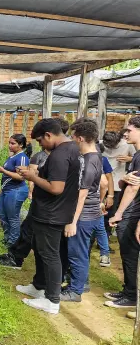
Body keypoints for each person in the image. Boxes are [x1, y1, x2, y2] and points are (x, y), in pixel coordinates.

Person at [17, 118, 82, 315]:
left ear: (48, 135)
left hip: (51, 213)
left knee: (50, 255)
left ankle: (52, 300)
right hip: (50, 211)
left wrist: (32, 177)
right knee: (40, 249)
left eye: (40, 141)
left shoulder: (60, 155)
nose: (40, 145)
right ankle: (39, 286)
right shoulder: (71, 149)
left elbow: (56, 187)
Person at [61, 120, 106, 302]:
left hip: (83, 216)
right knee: (81, 252)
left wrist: (72, 222)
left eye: (73, 137)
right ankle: (79, 283)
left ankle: (75, 291)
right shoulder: (98, 156)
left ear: (80, 138)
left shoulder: (88, 162)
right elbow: (102, 183)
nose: (72, 140)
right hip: (92, 212)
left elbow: (81, 195)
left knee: (77, 253)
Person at [105, 116, 140, 311]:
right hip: (132, 210)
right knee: (126, 253)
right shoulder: (137, 154)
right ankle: (128, 290)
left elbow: (133, 188)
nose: (125, 133)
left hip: (133, 211)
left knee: (130, 254)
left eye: (130, 130)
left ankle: (132, 295)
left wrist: (118, 213)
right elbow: (127, 183)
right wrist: (124, 179)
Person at [0, 134, 31, 246]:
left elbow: (21, 177)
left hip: (16, 190)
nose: (10, 145)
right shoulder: (13, 156)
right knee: (1, 214)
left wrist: (4, 171)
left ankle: (13, 242)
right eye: (9, 143)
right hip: (7, 190)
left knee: (12, 217)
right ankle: (8, 238)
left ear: (20, 145)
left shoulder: (21, 158)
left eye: (13, 143)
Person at [101, 130, 135, 238]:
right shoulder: (99, 144)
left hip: (116, 183)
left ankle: (105, 237)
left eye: (114, 146)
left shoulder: (126, 144)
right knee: (97, 210)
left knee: (110, 212)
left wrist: (129, 159)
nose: (111, 148)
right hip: (101, 182)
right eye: (108, 146)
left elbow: (136, 157)